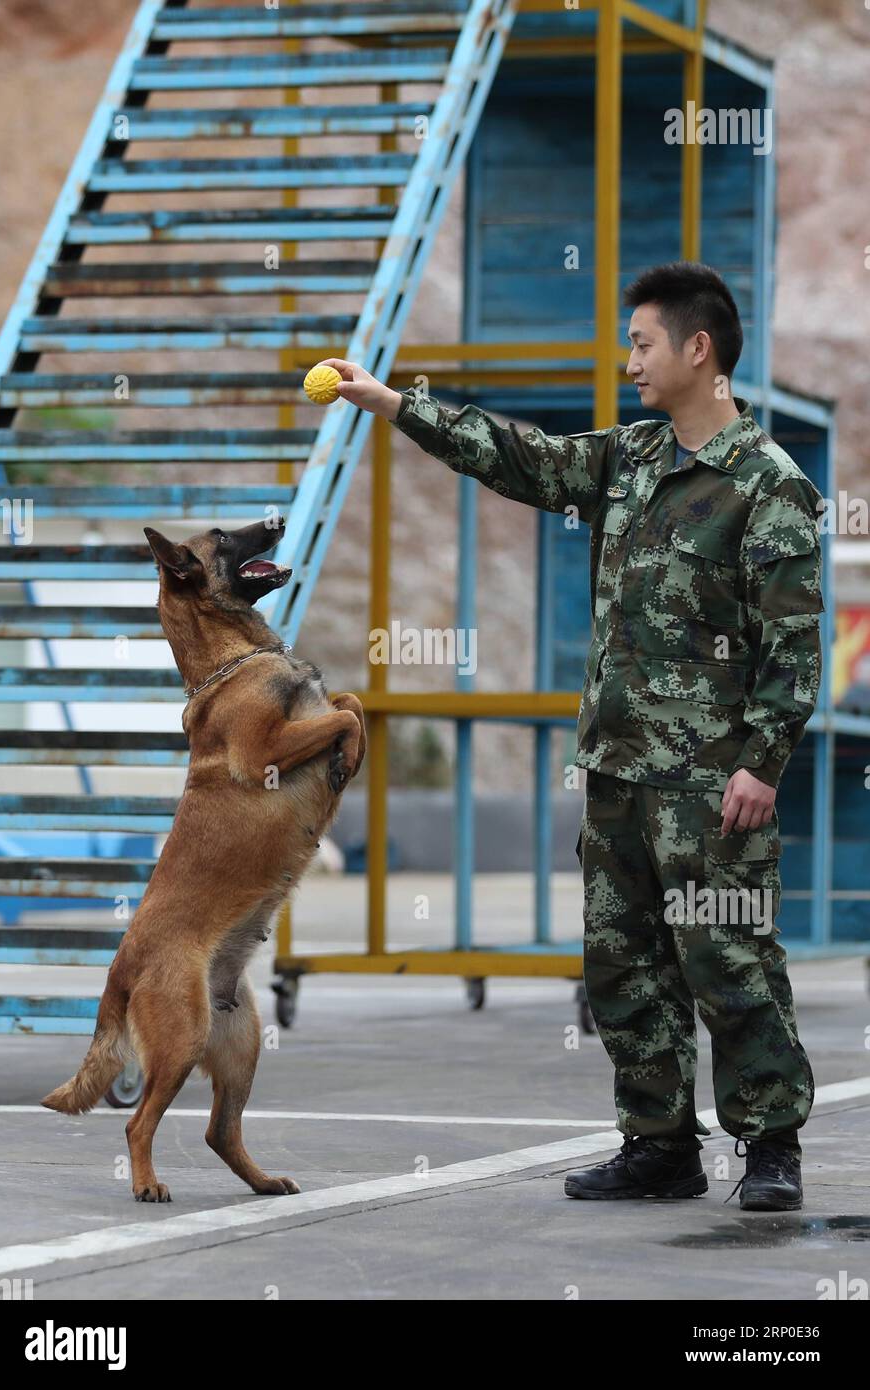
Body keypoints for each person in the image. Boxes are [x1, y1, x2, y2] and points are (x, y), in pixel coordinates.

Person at [319, 261, 823, 1212]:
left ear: (696, 349)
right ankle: (659, 1145)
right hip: (619, 772)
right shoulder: (629, 459)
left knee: (729, 960)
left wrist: (761, 763)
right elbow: (521, 458)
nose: (628, 360)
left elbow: (791, 649)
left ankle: (770, 1149)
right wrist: (391, 403)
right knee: (622, 962)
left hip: (713, 785)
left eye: (641, 342)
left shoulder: (768, 487)